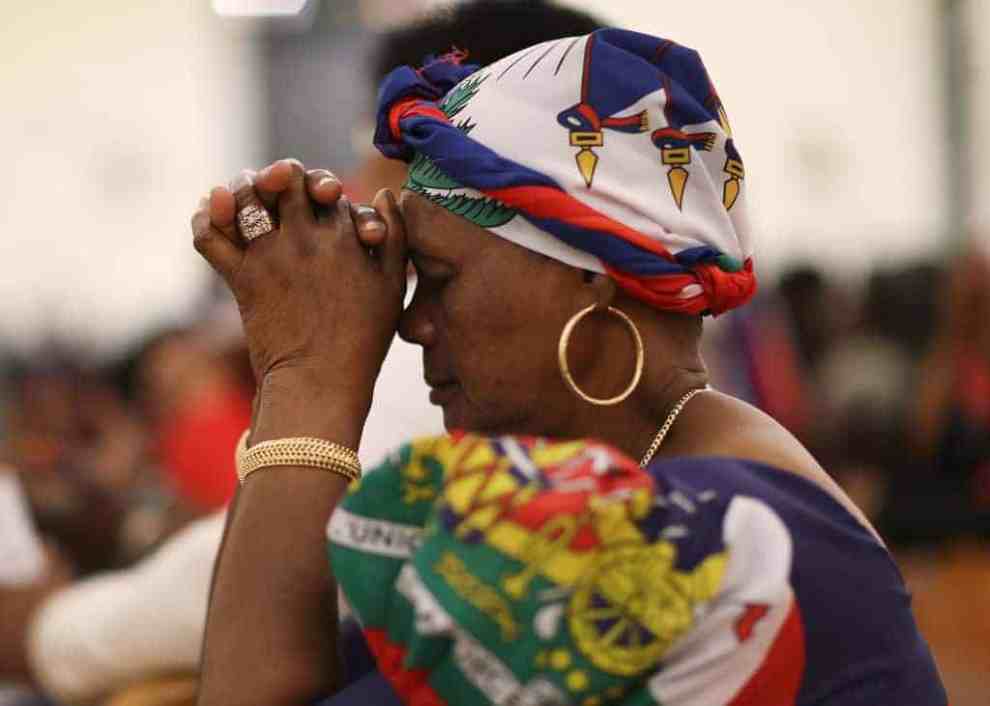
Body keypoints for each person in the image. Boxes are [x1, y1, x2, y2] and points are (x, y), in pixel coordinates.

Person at [191, 29, 946, 706]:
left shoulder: (695, 532)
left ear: (592, 276)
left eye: (439, 279)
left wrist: (305, 376)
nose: (411, 324)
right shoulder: (685, 470)